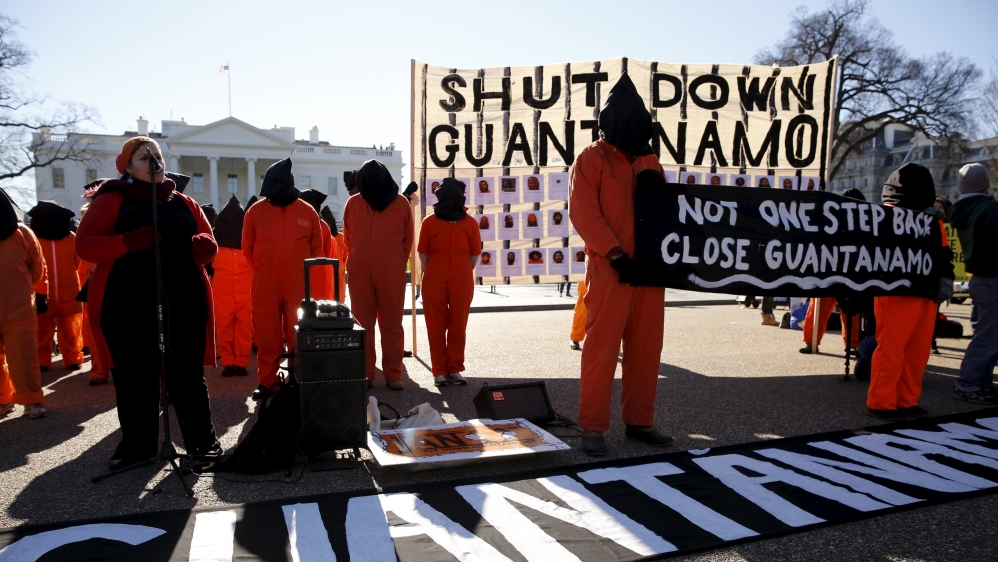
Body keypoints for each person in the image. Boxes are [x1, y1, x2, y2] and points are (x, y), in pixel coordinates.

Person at [76, 136, 221, 467]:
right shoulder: (111, 200)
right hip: (127, 304)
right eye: (144, 157)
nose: (154, 160)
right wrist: (126, 241)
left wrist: (204, 247)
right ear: (127, 166)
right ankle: (137, 448)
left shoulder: (185, 202)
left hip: (183, 300)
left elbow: (208, 240)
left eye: (156, 155)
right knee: (135, 377)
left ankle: (202, 446)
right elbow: (85, 246)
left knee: (187, 376)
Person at [569, 72, 672, 456]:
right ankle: (592, 428)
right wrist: (615, 254)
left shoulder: (650, 160)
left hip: (648, 271)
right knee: (601, 350)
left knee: (647, 351)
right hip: (611, 270)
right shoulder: (591, 158)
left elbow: (667, 212)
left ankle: (640, 422)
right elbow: (584, 214)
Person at [867, 163, 954, 420]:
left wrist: (946, 278)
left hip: (927, 291)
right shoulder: (885, 217)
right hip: (895, 292)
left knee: (917, 351)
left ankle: (907, 399)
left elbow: (944, 253)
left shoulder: (932, 222)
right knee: (892, 349)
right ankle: (881, 401)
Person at [242, 158, 323, 400]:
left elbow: (317, 250)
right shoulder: (255, 213)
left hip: (299, 284)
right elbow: (247, 250)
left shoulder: (307, 212)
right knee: (267, 334)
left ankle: (296, 380)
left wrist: (296, 269)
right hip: (265, 282)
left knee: (298, 333)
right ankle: (267, 382)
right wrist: (266, 267)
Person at [344, 159, 413, 390]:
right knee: (362, 325)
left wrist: (393, 262)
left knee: (392, 323)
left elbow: (407, 240)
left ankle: (393, 373)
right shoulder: (353, 204)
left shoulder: (401, 203)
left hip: (389, 269)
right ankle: (366, 373)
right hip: (362, 269)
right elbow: (348, 239)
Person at [417, 178, 480, 387]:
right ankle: (440, 371)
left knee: (458, 324)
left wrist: (442, 269)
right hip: (443, 275)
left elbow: (474, 253)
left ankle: (454, 368)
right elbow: (422, 252)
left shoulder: (470, 223)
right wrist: (439, 271)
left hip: (455, 275)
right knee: (436, 325)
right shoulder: (429, 222)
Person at [951, 163, 998, 405]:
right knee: (989, 336)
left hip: (980, 278)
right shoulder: (989, 210)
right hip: (992, 278)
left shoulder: (961, 209)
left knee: (986, 334)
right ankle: (969, 383)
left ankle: (980, 382)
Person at [799, 188, 866, 353]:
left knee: (851, 310)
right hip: (828, 270)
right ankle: (811, 341)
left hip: (850, 272)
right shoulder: (829, 220)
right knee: (818, 307)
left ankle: (852, 344)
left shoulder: (862, 223)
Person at [0, 188, 47, 419]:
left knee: (24, 357)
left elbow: (37, 268)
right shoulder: (22, 233)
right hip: (18, 304)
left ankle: (32, 400)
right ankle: (3, 400)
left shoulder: (22, 234)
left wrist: (29, 291)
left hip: (18, 310)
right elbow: (37, 271)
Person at [27, 201, 84, 373]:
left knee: (62, 329)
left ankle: (46, 360)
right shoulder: (70, 238)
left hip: (47, 291)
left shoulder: (35, 239)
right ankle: (70, 358)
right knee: (64, 329)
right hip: (60, 290)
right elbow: (76, 263)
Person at [211, 195, 252, 378]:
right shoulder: (248, 242)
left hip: (226, 287)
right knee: (241, 325)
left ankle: (232, 362)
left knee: (226, 325)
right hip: (240, 287)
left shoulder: (216, 244)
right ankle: (237, 362)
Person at [300, 189, 336, 301]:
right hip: (320, 271)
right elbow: (328, 250)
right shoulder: (323, 226)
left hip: (302, 271)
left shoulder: (298, 223)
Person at [321, 206, 347, 301]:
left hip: (329, 276)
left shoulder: (322, 238)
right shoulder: (340, 238)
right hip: (338, 275)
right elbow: (346, 257)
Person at [569, 280, 588, 350]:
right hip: (586, 273)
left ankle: (602, 340)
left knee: (603, 308)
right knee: (582, 306)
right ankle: (575, 338)